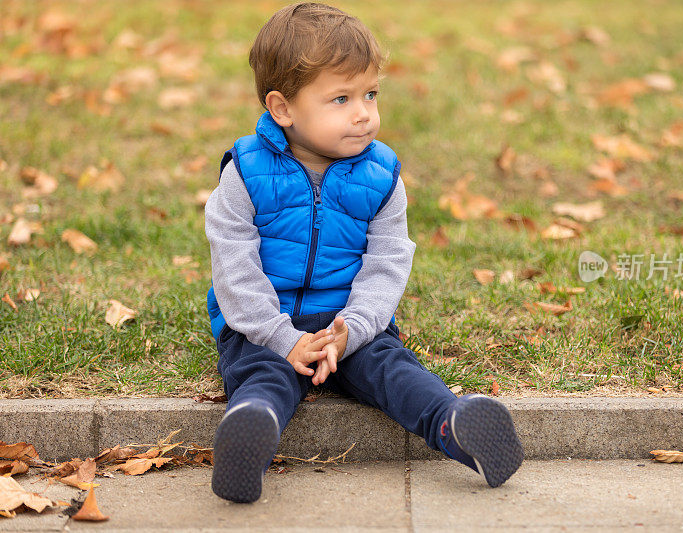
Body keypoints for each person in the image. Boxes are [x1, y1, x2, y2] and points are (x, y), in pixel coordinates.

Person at [204, 2, 523, 504]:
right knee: (263, 372)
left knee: (391, 369)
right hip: (264, 322)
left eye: (370, 94)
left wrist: (354, 328)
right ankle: (251, 432)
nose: (363, 113)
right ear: (283, 109)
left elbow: (387, 262)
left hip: (349, 321)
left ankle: (454, 424)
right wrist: (282, 337)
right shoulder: (244, 174)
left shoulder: (380, 177)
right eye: (341, 98)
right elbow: (234, 266)